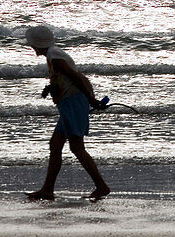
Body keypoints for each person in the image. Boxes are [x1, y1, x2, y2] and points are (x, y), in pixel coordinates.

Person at [24, 24, 111, 201]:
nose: (31, 47)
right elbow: (73, 77)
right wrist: (52, 88)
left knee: (77, 147)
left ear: (37, 44)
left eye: (32, 44)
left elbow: (77, 77)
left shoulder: (55, 56)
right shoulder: (53, 54)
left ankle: (102, 186)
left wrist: (90, 99)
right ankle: (47, 190)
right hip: (68, 104)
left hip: (73, 103)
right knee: (55, 145)